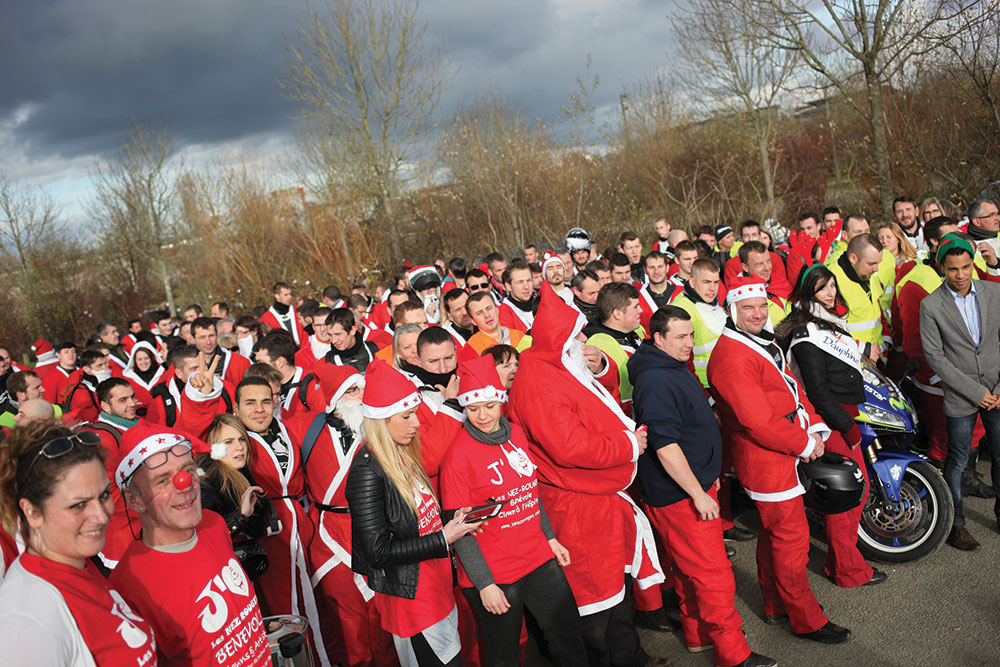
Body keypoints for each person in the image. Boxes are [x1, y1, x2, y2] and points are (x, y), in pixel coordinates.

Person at [506, 284, 669, 667]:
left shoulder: (558, 365)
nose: (585, 340)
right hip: (573, 505)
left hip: (596, 499)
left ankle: (630, 658)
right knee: (593, 601)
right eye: (579, 334)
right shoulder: (539, 383)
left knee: (616, 588)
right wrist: (628, 447)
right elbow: (571, 447)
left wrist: (602, 367)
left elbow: (596, 395)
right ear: (560, 339)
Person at [629, 307, 776, 667]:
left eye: (690, 335)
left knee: (689, 570)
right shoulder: (656, 381)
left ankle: (698, 636)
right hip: (682, 495)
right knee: (713, 575)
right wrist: (697, 494)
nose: (688, 343)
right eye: (680, 337)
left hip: (685, 489)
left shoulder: (670, 368)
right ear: (658, 339)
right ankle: (733, 654)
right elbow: (664, 445)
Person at [708, 276, 851, 644]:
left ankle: (774, 603)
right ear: (732, 311)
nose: (757, 314)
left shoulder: (758, 341)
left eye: (761, 306)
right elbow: (758, 422)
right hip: (768, 460)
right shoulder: (732, 356)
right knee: (792, 541)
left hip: (782, 452)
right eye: (747, 308)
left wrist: (815, 426)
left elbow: (792, 388)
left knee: (774, 535)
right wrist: (806, 443)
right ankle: (806, 619)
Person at [440, 356, 588, 667]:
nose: (482, 416)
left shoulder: (516, 434)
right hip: (495, 572)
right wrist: (484, 585)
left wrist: (550, 538)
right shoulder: (457, 457)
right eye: (473, 408)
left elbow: (529, 493)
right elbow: (460, 531)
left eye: (489, 406)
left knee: (568, 633)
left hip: (536, 557)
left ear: (500, 401)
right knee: (504, 655)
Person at [346, 359, 484, 667]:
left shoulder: (402, 452)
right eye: (407, 416)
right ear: (382, 421)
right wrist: (442, 539)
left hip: (434, 583)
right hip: (411, 595)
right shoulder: (367, 471)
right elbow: (377, 552)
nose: (417, 422)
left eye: (415, 414)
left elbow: (420, 519)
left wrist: (452, 523)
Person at [108, 422, 271, 666]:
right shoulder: (127, 590)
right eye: (162, 480)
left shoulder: (214, 524)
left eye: (187, 470)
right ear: (134, 499)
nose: (184, 484)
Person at [0, 421, 159, 666]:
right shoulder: (28, 621)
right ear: (32, 513)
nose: (102, 515)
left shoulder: (78, 562)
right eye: (78, 505)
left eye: (104, 495)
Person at [774, 265, 887, 587]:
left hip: (843, 417)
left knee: (851, 493)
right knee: (846, 496)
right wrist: (847, 428)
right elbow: (818, 392)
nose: (831, 292)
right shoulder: (806, 334)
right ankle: (847, 570)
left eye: (833, 286)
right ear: (809, 291)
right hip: (832, 423)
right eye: (823, 287)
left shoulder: (824, 323)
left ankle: (844, 563)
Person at [920, 234, 1000, 550]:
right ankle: (957, 524)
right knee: (957, 460)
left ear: (973, 263)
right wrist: (975, 392)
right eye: (953, 269)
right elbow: (935, 356)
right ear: (942, 267)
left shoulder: (995, 292)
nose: (961, 275)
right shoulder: (931, 305)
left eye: (966, 267)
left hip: (997, 389)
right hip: (962, 393)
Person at [827, 233, 885, 356]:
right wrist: (864, 349)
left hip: (875, 356)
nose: (876, 269)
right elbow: (828, 330)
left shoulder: (868, 273)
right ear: (853, 258)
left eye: (878, 263)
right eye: (871, 263)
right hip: (851, 358)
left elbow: (877, 311)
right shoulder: (831, 280)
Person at [254, 332, 326, 418]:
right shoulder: (264, 385)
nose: (257, 367)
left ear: (280, 362)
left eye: (261, 363)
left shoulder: (312, 384)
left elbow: (322, 422)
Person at [460, 292, 530, 361]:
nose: (487, 315)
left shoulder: (519, 336)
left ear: (497, 309)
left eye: (489, 308)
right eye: (479, 313)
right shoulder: (471, 349)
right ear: (473, 321)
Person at [191, 317, 251, 386]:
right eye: (202, 337)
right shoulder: (186, 363)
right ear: (193, 339)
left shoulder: (239, 362)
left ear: (217, 334)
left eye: (211, 336)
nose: (208, 342)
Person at [325, 307, 379, 372]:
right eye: (330, 335)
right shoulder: (327, 362)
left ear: (353, 330)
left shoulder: (376, 350)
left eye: (338, 334)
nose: (333, 341)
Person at [122, 341, 165, 417]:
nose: (144, 362)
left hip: (165, 417)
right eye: (139, 359)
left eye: (146, 358)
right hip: (141, 420)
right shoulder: (127, 379)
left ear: (152, 358)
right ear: (134, 361)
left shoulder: (164, 373)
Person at [260, 281, 309, 347]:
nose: (289, 297)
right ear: (277, 296)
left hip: (304, 351)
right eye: (285, 295)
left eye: (290, 294)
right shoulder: (266, 318)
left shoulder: (299, 311)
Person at [497, 259, 536, 333]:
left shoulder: (541, 303)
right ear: (508, 286)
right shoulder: (503, 314)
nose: (526, 287)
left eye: (528, 280)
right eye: (520, 282)